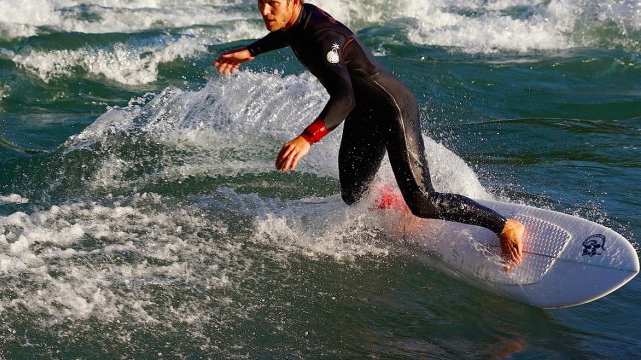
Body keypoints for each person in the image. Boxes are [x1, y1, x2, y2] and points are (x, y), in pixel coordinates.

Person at [213, 0, 524, 269]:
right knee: (353, 195)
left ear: (295, 2)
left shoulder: (325, 39)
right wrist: (251, 51)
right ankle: (396, 204)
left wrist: (308, 137)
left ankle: (505, 226)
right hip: (364, 114)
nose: (266, 10)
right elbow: (287, 32)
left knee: (424, 202)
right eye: (262, 2)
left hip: (393, 110)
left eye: (274, 4)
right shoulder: (298, 17)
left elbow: (344, 98)